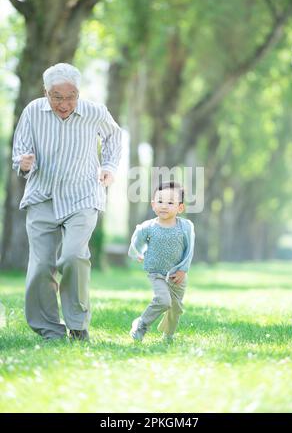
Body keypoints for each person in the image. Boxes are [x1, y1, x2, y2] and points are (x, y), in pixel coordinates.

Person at [12, 63, 122, 342]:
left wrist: (108, 165)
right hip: (42, 195)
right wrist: (24, 164)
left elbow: (114, 136)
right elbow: (20, 151)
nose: (64, 103)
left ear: (79, 92)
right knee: (40, 267)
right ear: (45, 92)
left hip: (82, 195)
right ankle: (50, 331)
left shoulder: (95, 112)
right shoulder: (32, 112)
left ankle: (78, 325)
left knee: (74, 256)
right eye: (56, 96)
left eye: (70, 96)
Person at [128, 181, 195, 342]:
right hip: (157, 272)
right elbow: (135, 242)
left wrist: (183, 270)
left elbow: (189, 249)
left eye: (170, 202)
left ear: (180, 207)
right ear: (153, 204)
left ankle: (168, 335)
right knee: (164, 301)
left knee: (176, 309)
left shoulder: (185, 227)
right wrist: (137, 253)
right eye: (160, 201)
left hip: (177, 274)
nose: (164, 206)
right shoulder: (148, 227)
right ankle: (141, 324)